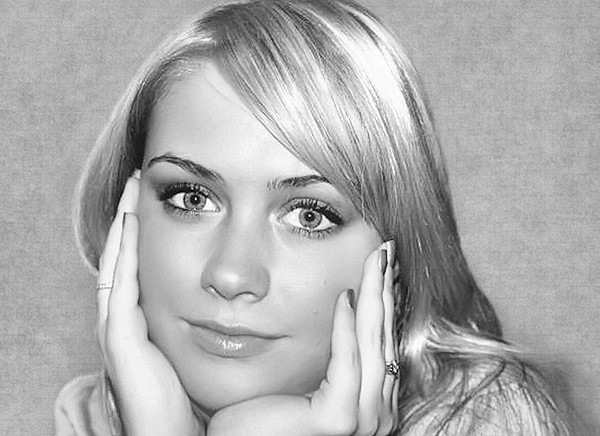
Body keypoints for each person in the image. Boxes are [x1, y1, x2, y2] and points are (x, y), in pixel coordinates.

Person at [54, 0, 574, 434]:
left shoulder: (492, 416)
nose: (231, 275)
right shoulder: (90, 418)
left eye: (308, 216)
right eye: (192, 198)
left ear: (397, 250)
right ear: (128, 209)